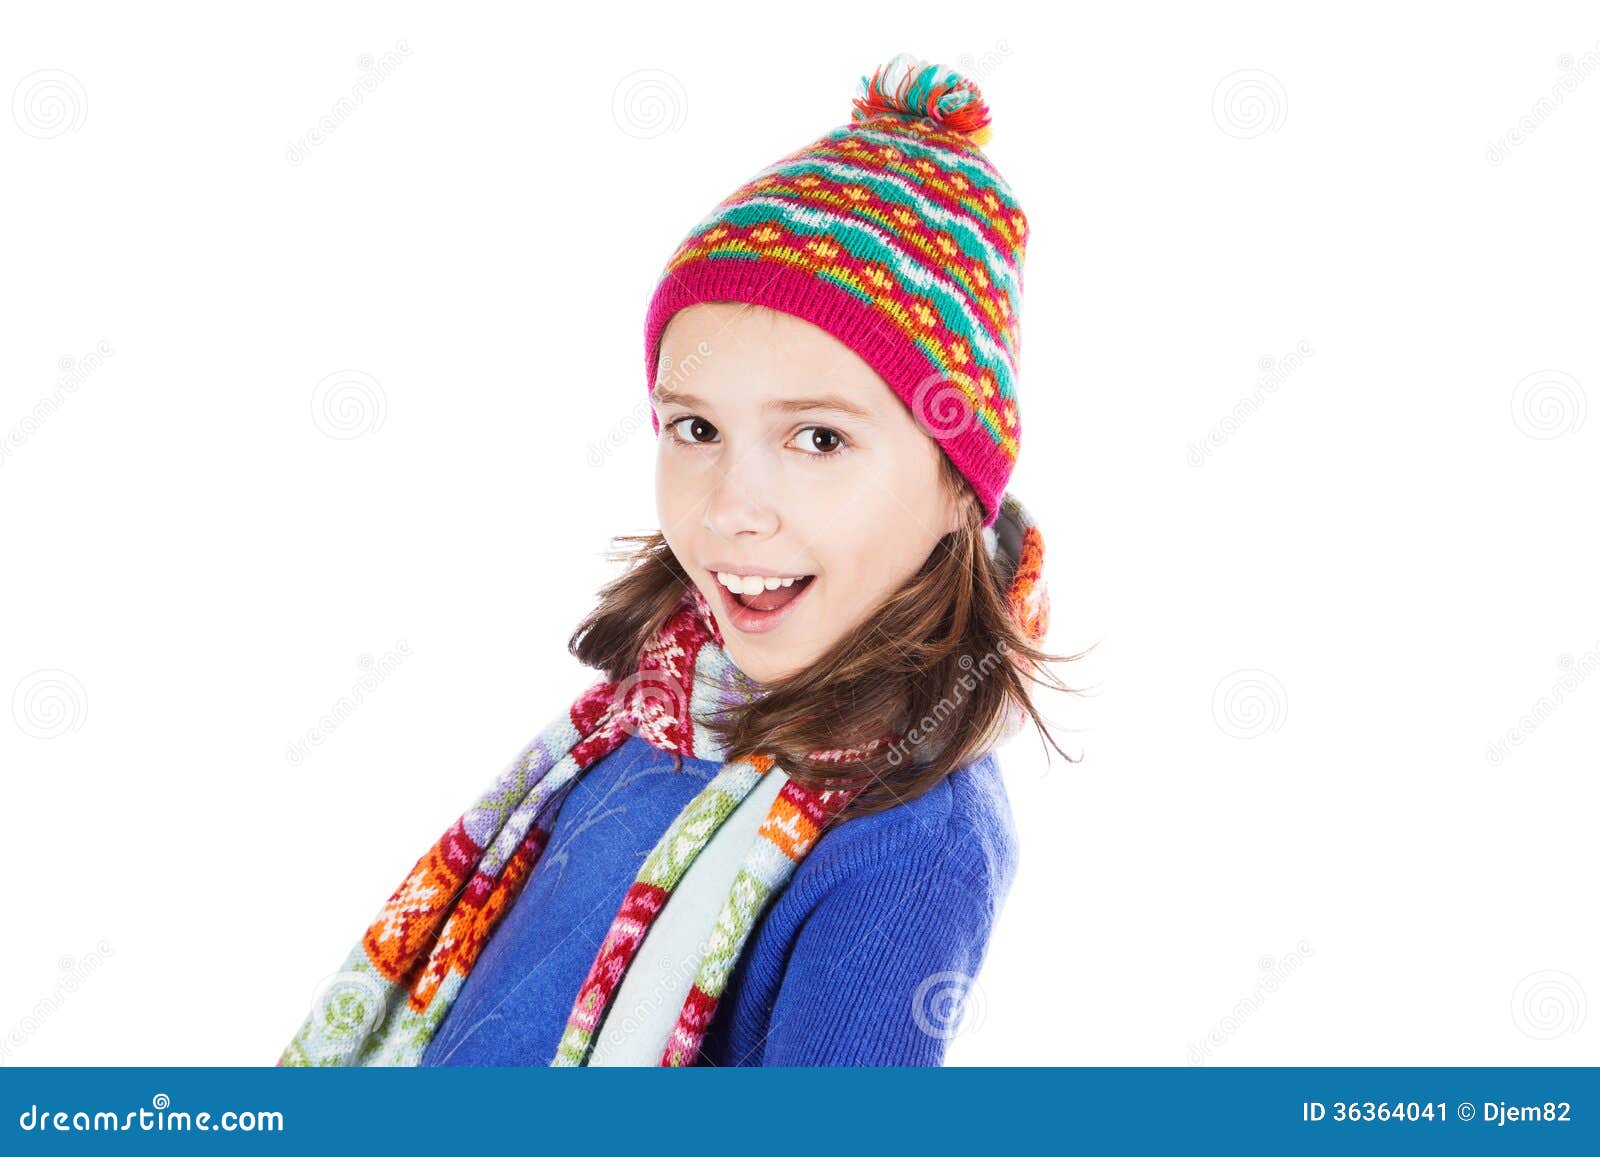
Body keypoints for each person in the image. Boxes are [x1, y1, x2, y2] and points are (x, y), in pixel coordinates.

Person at [278, 51, 1079, 1069]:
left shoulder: (912, 842)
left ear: (960, 487)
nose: (731, 507)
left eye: (818, 439)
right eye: (694, 427)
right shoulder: (641, 717)